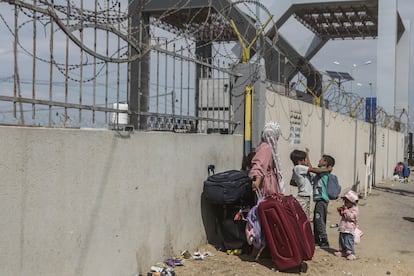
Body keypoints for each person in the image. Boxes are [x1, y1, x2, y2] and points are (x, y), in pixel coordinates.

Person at [290, 148, 332, 219]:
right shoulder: (299, 167)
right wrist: (327, 169)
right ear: (299, 161)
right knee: (302, 218)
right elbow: (314, 169)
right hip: (303, 198)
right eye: (304, 160)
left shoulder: (298, 169)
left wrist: (302, 183)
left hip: (305, 198)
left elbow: (292, 182)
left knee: (305, 218)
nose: (305, 162)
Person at [249, 122, 285, 197]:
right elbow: (259, 164)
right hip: (267, 185)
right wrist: (257, 180)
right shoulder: (266, 148)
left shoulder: (265, 147)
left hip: (270, 182)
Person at [312, 154, 336, 248]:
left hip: (322, 200)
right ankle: (317, 239)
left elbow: (313, 169)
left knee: (319, 220)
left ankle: (324, 240)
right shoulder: (322, 171)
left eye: (321, 160)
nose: (319, 161)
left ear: (325, 163)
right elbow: (312, 169)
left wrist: (307, 155)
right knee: (317, 219)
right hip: (320, 200)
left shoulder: (324, 172)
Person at [334, 190, 360, 261]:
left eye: (346, 202)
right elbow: (344, 216)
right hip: (343, 227)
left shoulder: (354, 209)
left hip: (349, 228)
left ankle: (351, 253)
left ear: (352, 202)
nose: (345, 203)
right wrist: (341, 211)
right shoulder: (347, 208)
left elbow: (352, 217)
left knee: (348, 240)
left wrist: (346, 211)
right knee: (342, 239)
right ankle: (343, 251)